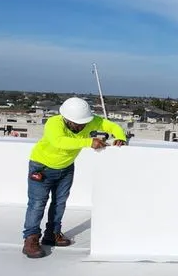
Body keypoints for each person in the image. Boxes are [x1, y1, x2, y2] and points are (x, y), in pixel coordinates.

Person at [22, 97, 127, 259]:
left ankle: (52, 234)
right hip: (41, 167)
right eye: (77, 123)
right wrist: (89, 142)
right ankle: (31, 239)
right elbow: (59, 142)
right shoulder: (54, 123)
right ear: (65, 118)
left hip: (66, 168)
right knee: (37, 204)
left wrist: (120, 137)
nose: (80, 126)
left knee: (60, 202)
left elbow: (111, 126)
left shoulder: (89, 122)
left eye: (83, 123)